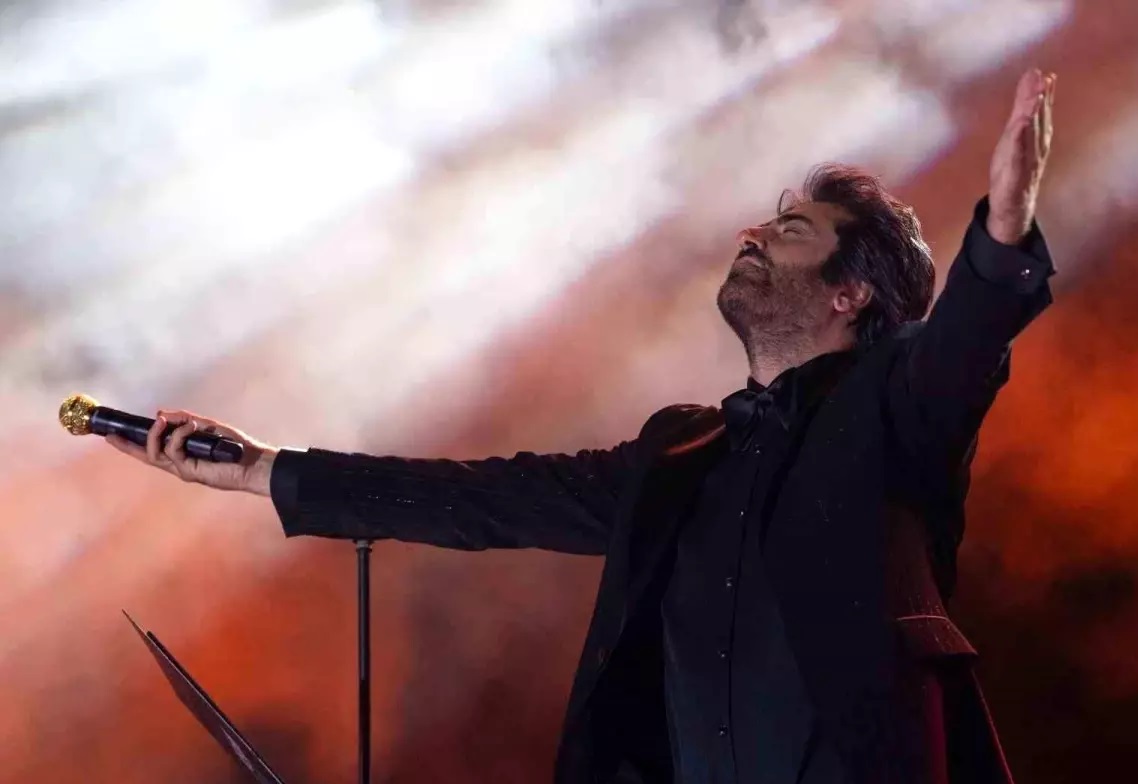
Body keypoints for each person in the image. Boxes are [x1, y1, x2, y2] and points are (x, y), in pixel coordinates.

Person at [108, 68, 1057, 784]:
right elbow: (481, 499)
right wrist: (265, 469)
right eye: (763, 225)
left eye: (791, 231)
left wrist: (1005, 232)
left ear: (851, 293)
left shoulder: (894, 409)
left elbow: (963, 342)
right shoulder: (681, 455)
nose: (752, 235)